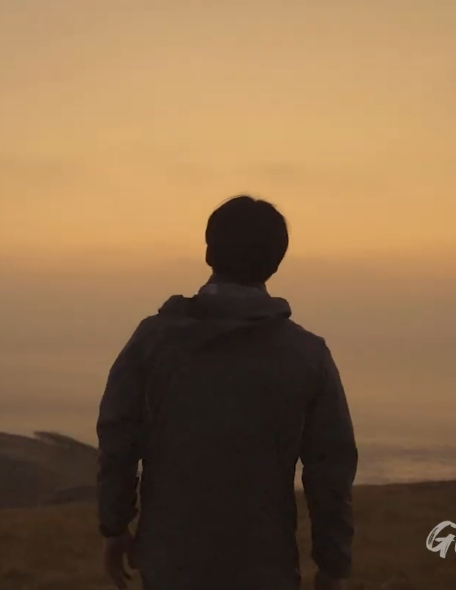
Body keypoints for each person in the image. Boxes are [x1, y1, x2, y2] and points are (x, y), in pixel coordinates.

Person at [96, 195, 358, 590]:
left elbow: (117, 437)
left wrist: (115, 526)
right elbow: (331, 470)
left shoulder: (153, 342)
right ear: (276, 260)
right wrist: (333, 566)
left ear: (208, 251)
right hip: (265, 568)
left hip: (170, 564)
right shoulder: (307, 355)